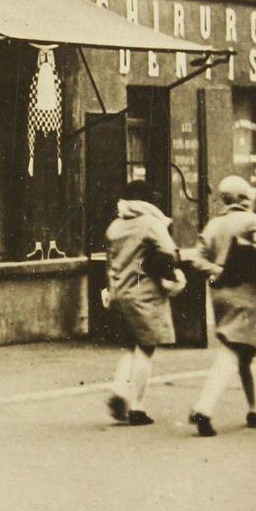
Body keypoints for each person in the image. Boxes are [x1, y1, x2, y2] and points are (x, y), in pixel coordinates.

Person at [187, 175, 256, 437]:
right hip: (249, 295)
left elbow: (197, 258)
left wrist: (218, 271)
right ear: (242, 199)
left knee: (243, 353)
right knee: (233, 351)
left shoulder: (214, 224)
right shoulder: (253, 221)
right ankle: (204, 408)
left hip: (220, 295)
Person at [104, 179, 183, 426]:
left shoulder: (114, 226)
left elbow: (110, 262)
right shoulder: (150, 224)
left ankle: (119, 388)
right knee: (146, 347)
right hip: (145, 293)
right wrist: (171, 276)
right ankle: (137, 406)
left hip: (120, 292)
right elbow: (169, 252)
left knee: (130, 345)